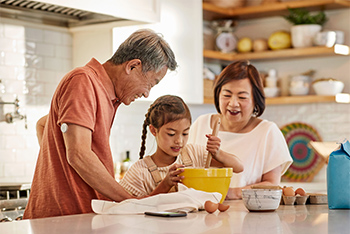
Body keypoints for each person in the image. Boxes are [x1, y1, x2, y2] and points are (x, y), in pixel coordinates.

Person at [23, 29, 178, 219]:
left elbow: (45, 124)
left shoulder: (108, 96)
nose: (147, 93)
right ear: (133, 66)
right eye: (151, 84)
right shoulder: (83, 81)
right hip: (61, 220)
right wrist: (130, 201)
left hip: (81, 219)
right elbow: (79, 155)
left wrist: (57, 158)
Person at [188, 60, 293, 200]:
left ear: (256, 100)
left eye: (242, 97)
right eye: (226, 95)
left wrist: (233, 193)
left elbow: (272, 184)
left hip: (249, 217)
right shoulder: (201, 124)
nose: (233, 104)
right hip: (200, 212)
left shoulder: (268, 132)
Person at [120, 95, 243, 197]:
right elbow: (132, 207)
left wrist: (218, 153)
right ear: (153, 130)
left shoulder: (193, 154)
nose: (179, 141)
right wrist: (164, 185)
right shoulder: (140, 173)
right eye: (171, 134)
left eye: (185, 133)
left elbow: (238, 167)